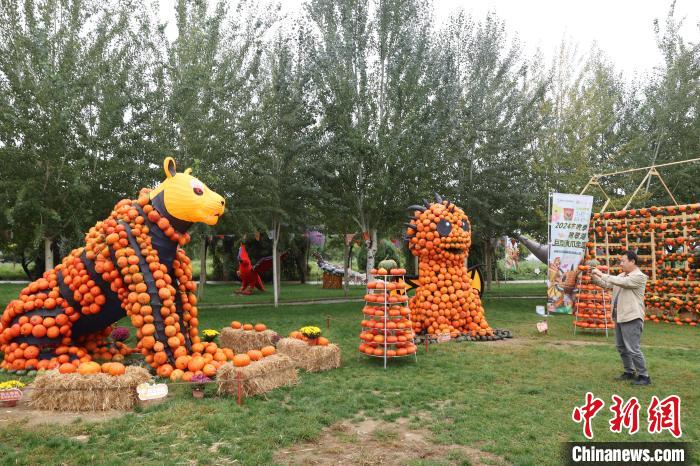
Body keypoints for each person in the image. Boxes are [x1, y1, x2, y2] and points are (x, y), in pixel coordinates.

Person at [591, 251, 651, 385]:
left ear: (632, 262)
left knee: (633, 348)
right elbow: (608, 285)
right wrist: (594, 278)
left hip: (632, 316)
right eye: (621, 261)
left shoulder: (639, 277)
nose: (621, 263)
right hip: (620, 316)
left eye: (623, 261)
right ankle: (629, 372)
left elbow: (624, 282)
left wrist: (602, 273)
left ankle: (644, 376)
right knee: (621, 347)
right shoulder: (621, 275)